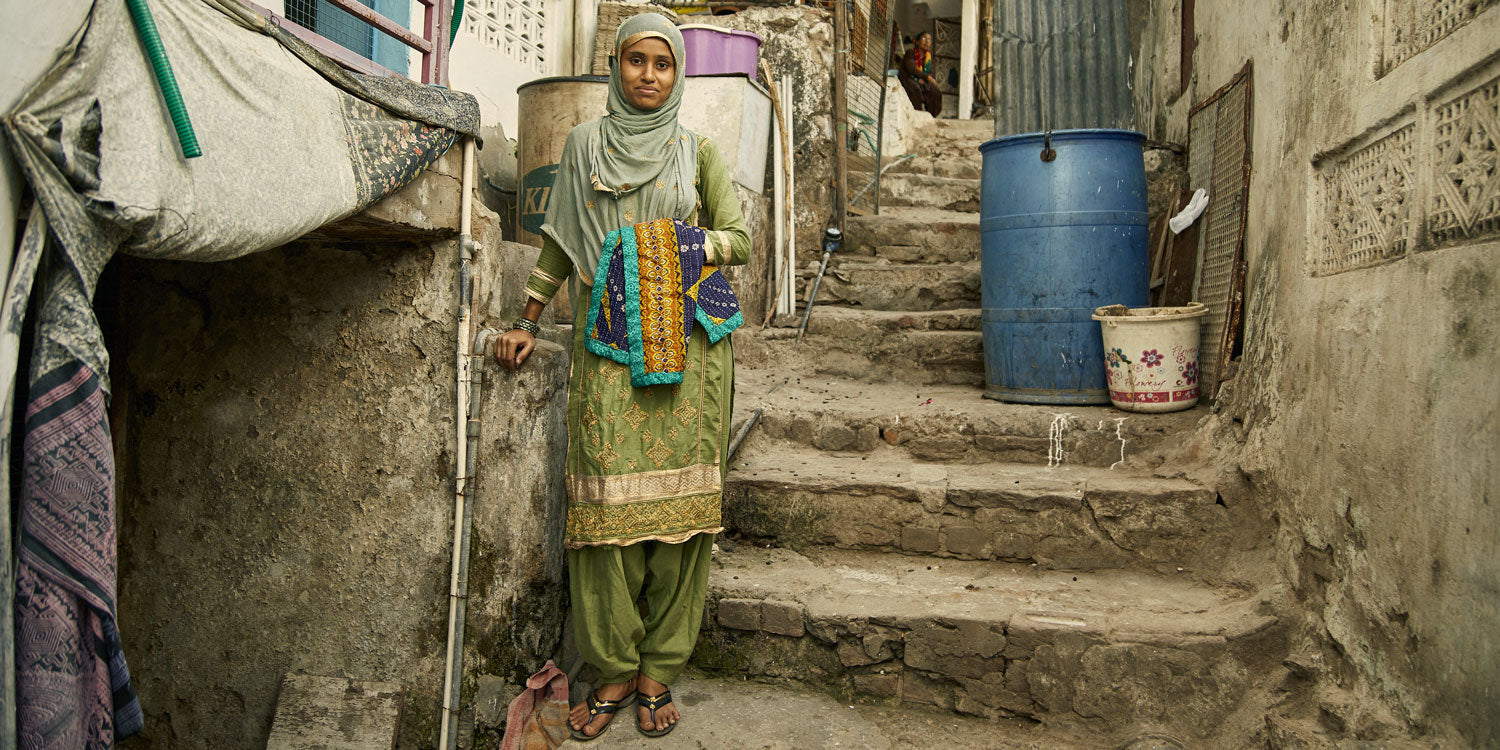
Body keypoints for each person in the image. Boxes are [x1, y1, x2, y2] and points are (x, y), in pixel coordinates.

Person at [494, 12, 750, 742]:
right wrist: (529, 318)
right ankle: (610, 667)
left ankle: (658, 670)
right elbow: (560, 238)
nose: (649, 75)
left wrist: (673, 243)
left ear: (677, 74)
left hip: (693, 351)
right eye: (635, 61)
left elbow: (741, 241)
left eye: (662, 64)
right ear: (616, 67)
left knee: (680, 523)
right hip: (608, 351)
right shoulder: (583, 145)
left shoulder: (695, 151)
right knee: (605, 518)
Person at [899, 31, 943, 115]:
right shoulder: (910, 53)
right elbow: (912, 69)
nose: (927, 42)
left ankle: (931, 116)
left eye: (929, 40)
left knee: (935, 91)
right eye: (924, 39)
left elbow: (932, 72)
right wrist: (926, 77)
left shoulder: (929, 57)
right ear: (917, 42)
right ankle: (916, 114)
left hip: (922, 80)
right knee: (915, 89)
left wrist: (926, 78)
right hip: (908, 79)